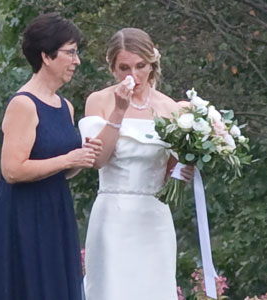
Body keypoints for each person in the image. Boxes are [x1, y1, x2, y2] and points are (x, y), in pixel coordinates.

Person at [0, 13, 102, 300]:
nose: (77, 61)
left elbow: (62, 168)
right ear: (46, 56)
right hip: (23, 211)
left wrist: (83, 158)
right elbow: (12, 170)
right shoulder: (23, 104)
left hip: (54, 207)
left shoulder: (66, 106)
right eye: (70, 52)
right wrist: (69, 160)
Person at [78, 28, 194, 300]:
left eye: (141, 66)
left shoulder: (171, 109)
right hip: (113, 216)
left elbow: (170, 174)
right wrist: (119, 110)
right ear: (113, 68)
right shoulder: (100, 101)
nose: (134, 75)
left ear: (152, 63)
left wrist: (185, 169)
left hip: (154, 217)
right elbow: (97, 160)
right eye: (124, 68)